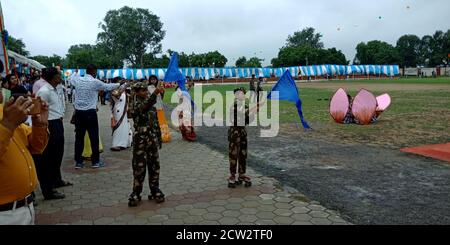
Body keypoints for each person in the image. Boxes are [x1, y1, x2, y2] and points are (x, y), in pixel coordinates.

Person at [0, 92, 49, 225]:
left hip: (25, 207)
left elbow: (36, 147)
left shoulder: (4, 111)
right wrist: (8, 124)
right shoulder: (8, 116)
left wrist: (40, 125)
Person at [69, 64, 121, 169]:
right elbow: (108, 87)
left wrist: (75, 72)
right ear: (94, 72)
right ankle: (95, 161)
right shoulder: (95, 82)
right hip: (90, 113)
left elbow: (71, 79)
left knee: (79, 138)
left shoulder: (78, 80)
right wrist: (119, 84)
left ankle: (78, 162)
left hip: (79, 113)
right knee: (94, 137)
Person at [35, 67, 71, 201]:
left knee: (58, 154)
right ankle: (49, 188)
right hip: (49, 124)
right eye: (59, 75)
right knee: (50, 157)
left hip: (57, 122)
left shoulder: (55, 89)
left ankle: (57, 179)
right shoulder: (44, 91)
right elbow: (38, 109)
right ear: (54, 77)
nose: (61, 77)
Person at [128, 81, 165, 207]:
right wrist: (155, 92)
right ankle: (136, 193)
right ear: (137, 92)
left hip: (152, 138)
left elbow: (155, 123)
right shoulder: (135, 105)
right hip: (140, 140)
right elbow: (144, 107)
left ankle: (155, 190)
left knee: (154, 165)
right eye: (143, 90)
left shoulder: (151, 105)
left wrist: (159, 138)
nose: (145, 92)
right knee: (139, 167)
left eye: (146, 90)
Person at [227, 88, 263, 188]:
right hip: (234, 132)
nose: (242, 95)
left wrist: (255, 112)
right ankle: (232, 175)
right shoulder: (233, 106)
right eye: (240, 94)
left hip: (242, 132)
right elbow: (241, 114)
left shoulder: (245, 106)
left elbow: (248, 120)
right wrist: (253, 109)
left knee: (243, 154)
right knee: (233, 154)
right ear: (236, 95)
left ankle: (242, 174)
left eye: (243, 94)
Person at [110, 77, 132, 151]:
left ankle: (124, 143)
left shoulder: (124, 91)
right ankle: (116, 144)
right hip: (118, 111)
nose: (121, 83)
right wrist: (124, 86)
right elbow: (117, 95)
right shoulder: (113, 90)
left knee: (125, 126)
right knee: (118, 127)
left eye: (122, 82)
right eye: (120, 82)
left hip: (124, 111)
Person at [148, 75, 171, 143]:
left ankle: (163, 136)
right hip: (154, 107)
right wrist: (158, 88)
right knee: (155, 122)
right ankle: (155, 136)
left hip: (160, 106)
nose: (153, 81)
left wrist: (163, 92)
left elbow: (161, 97)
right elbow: (153, 95)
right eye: (151, 79)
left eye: (154, 79)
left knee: (162, 122)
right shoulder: (149, 87)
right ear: (149, 81)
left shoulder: (160, 86)